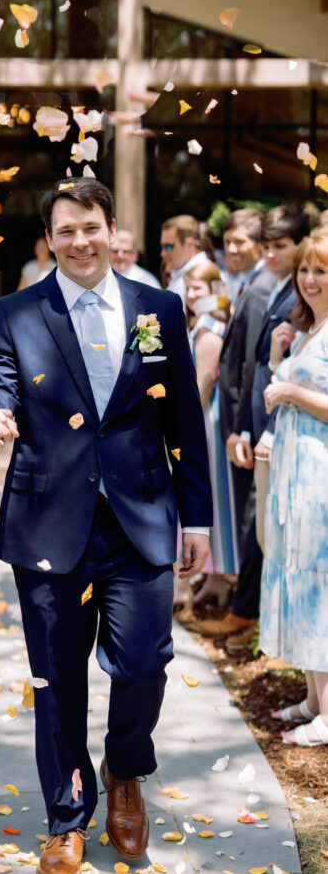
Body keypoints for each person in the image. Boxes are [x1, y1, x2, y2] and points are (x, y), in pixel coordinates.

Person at [0, 177, 212, 874]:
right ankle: (66, 818)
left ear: (110, 229)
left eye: (90, 227)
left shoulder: (157, 309)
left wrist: (196, 516)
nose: (79, 241)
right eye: (65, 230)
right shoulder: (15, 311)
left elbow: (181, 420)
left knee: (141, 663)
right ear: (49, 238)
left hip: (142, 519)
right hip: (49, 524)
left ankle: (125, 771)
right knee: (56, 680)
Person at [259, 231, 328, 746]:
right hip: (293, 468)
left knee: (319, 582)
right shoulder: (309, 329)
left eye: (320, 271)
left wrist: (287, 389)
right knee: (297, 575)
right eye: (304, 271)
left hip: (320, 472)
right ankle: (312, 697)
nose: (309, 280)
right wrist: (279, 356)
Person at [199, 209, 276, 645]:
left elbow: (253, 369)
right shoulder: (245, 286)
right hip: (242, 423)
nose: (232, 249)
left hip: (250, 424)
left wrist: (242, 428)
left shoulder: (262, 288)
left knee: (252, 520)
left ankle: (245, 613)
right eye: (227, 241)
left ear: (261, 243)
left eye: (241, 241)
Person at [249, 207, 310, 555]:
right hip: (266, 425)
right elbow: (263, 365)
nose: (270, 255)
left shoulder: (301, 297)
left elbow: (301, 378)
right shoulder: (279, 285)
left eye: (280, 247)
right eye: (266, 246)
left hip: (289, 434)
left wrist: (271, 431)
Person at [183, 262, 238, 606]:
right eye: (188, 289)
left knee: (213, 495)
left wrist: (187, 426)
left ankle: (219, 574)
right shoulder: (200, 323)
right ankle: (213, 576)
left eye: (199, 290)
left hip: (205, 418)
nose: (192, 296)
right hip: (201, 415)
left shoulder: (210, 327)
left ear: (215, 291)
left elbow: (203, 381)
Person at [160, 215, 209, 307]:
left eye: (169, 247)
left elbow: (208, 319)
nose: (163, 253)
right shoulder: (182, 274)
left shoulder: (206, 274)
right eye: (162, 247)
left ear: (190, 244)